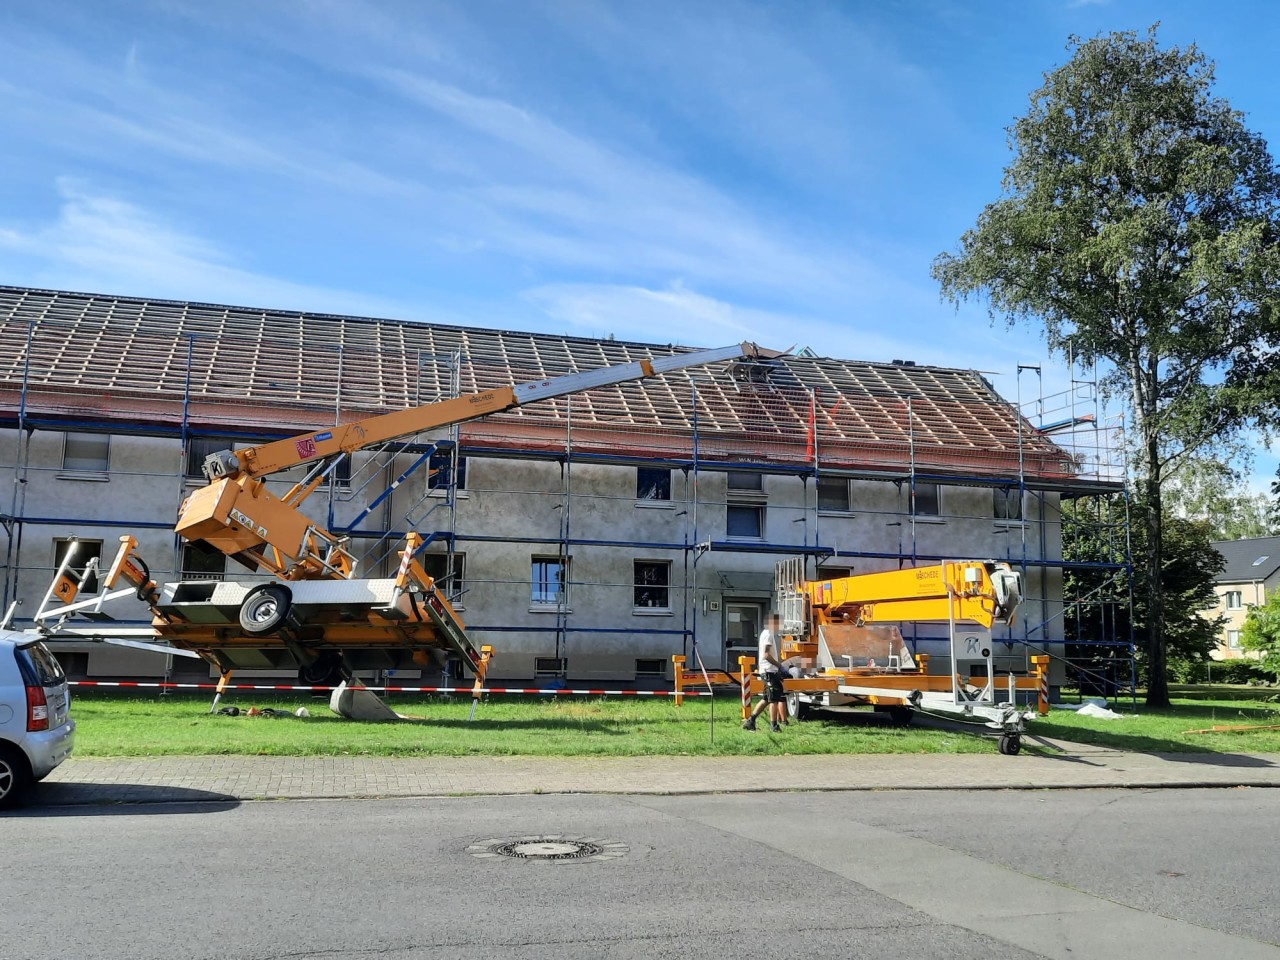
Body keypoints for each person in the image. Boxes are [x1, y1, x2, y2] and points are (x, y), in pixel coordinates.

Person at [742, 612, 786, 732]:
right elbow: (766, 655)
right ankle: (774, 726)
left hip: (769, 670)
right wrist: (779, 666)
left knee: (767, 698)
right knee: (774, 699)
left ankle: (751, 721)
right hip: (768, 671)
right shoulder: (768, 634)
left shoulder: (766, 633)